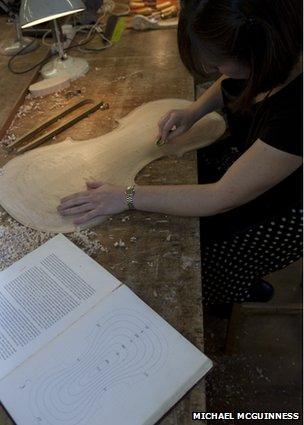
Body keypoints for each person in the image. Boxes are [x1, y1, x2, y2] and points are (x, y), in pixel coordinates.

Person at [58, 0, 303, 306]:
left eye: (216, 64)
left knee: (201, 255)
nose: (215, 73)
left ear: (256, 55)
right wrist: (194, 111)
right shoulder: (265, 58)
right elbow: (231, 80)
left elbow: (219, 197)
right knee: (197, 175)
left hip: (287, 209)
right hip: (254, 157)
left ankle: (231, 293)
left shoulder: (296, 113)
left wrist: (126, 197)